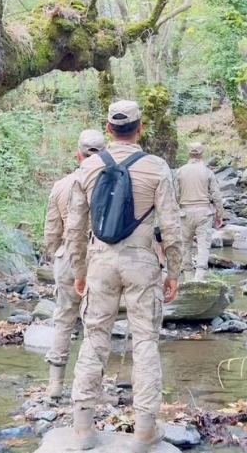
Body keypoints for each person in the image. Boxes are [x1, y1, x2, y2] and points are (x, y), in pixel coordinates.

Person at [65, 100, 182, 451]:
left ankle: (83, 428)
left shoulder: (87, 168)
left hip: (100, 261)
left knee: (95, 336)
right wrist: (174, 270)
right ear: (140, 128)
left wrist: (78, 270)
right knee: (145, 341)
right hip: (142, 262)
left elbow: (75, 227)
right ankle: (145, 430)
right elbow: (172, 226)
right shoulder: (157, 167)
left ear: (108, 129)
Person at [42, 129, 106, 400]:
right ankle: (92, 388)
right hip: (101, 255)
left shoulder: (61, 185)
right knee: (98, 321)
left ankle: (55, 384)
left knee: (64, 317)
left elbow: (51, 231)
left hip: (68, 256)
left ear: (78, 154)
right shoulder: (112, 182)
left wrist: (56, 252)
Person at [174, 142, 224, 281]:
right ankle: (199, 278)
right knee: (203, 245)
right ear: (202, 155)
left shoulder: (180, 171)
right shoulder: (207, 172)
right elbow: (216, 195)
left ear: (189, 154)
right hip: (204, 213)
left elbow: (175, 195)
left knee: (185, 245)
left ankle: (188, 277)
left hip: (184, 212)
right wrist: (220, 215)